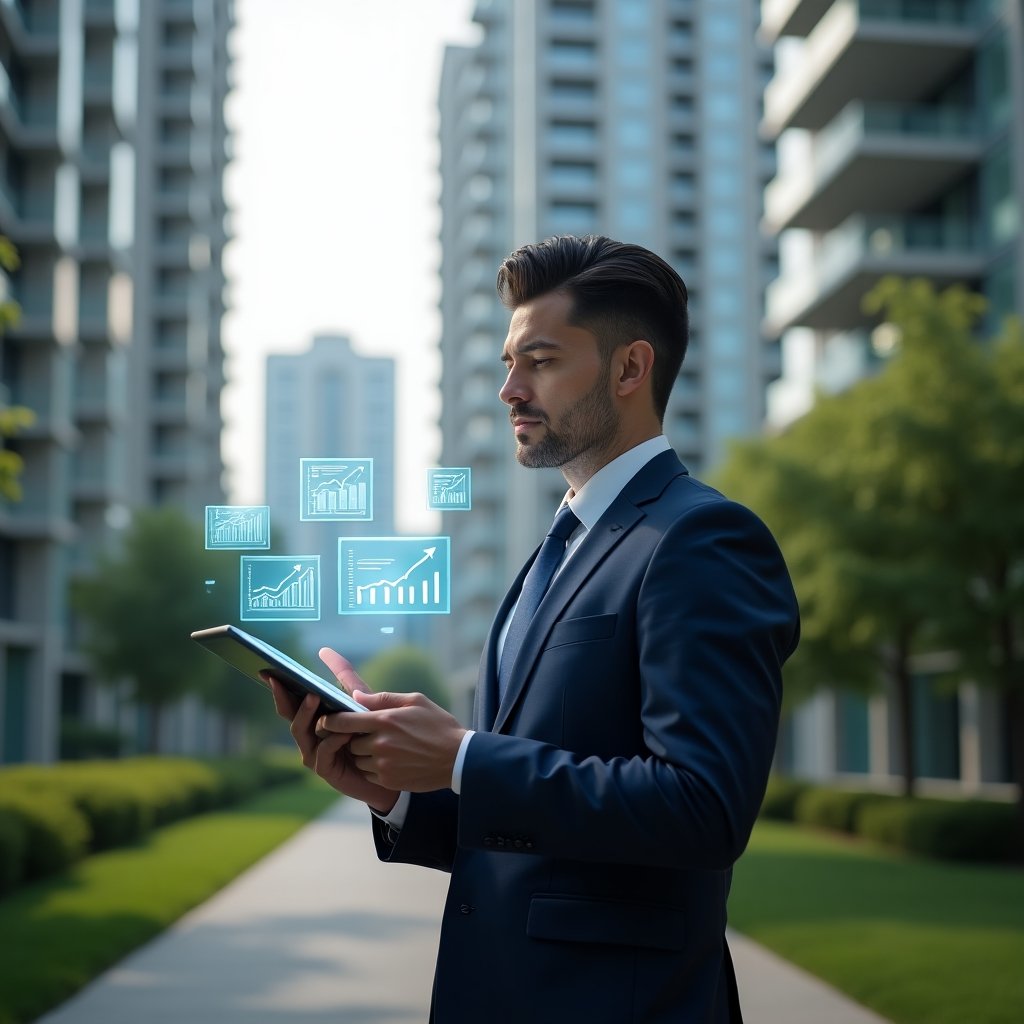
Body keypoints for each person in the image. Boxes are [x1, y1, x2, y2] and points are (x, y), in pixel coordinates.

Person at [271, 234, 800, 1023]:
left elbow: (704, 807)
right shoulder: (554, 552)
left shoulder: (702, 540)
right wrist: (404, 797)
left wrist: (464, 757)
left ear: (630, 369)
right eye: (509, 363)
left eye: (541, 362)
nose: (509, 390)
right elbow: (542, 844)